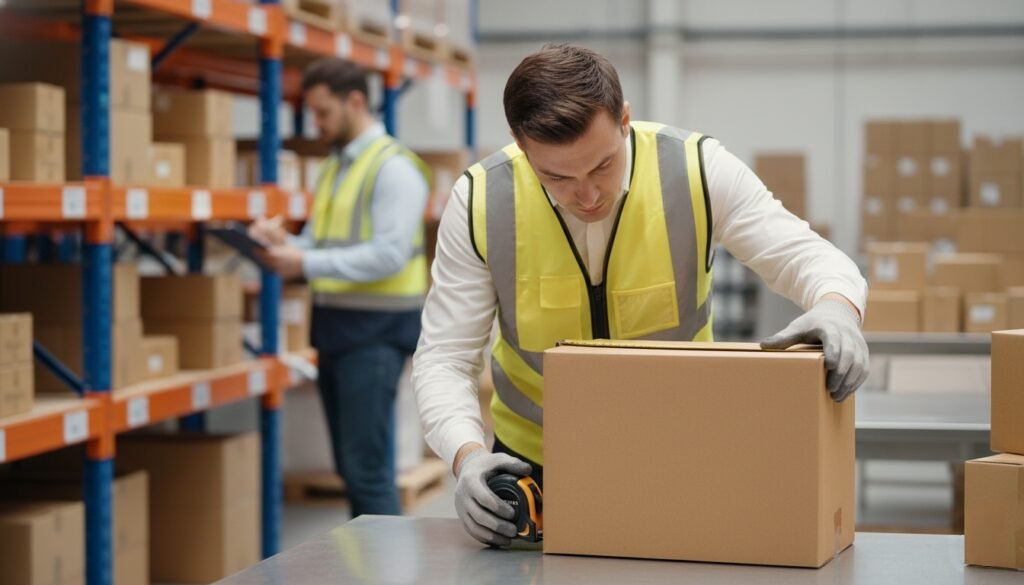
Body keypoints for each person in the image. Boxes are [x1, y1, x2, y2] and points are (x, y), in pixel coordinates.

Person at [412, 44, 869, 546]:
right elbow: (445, 358)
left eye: (602, 166)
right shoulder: (481, 202)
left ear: (624, 119)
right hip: (534, 471)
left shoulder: (695, 170)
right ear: (520, 146)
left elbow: (806, 255)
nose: (587, 196)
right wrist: (467, 456)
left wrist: (837, 308)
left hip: (682, 457)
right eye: (557, 177)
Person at [251, 57, 430, 517]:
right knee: (352, 470)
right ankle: (368, 556)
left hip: (375, 335)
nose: (317, 123)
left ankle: (385, 558)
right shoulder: (336, 166)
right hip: (336, 330)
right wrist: (282, 245)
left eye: (323, 111)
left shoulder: (392, 168)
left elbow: (389, 254)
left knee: (366, 472)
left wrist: (303, 260)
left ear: (355, 101)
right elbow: (320, 242)